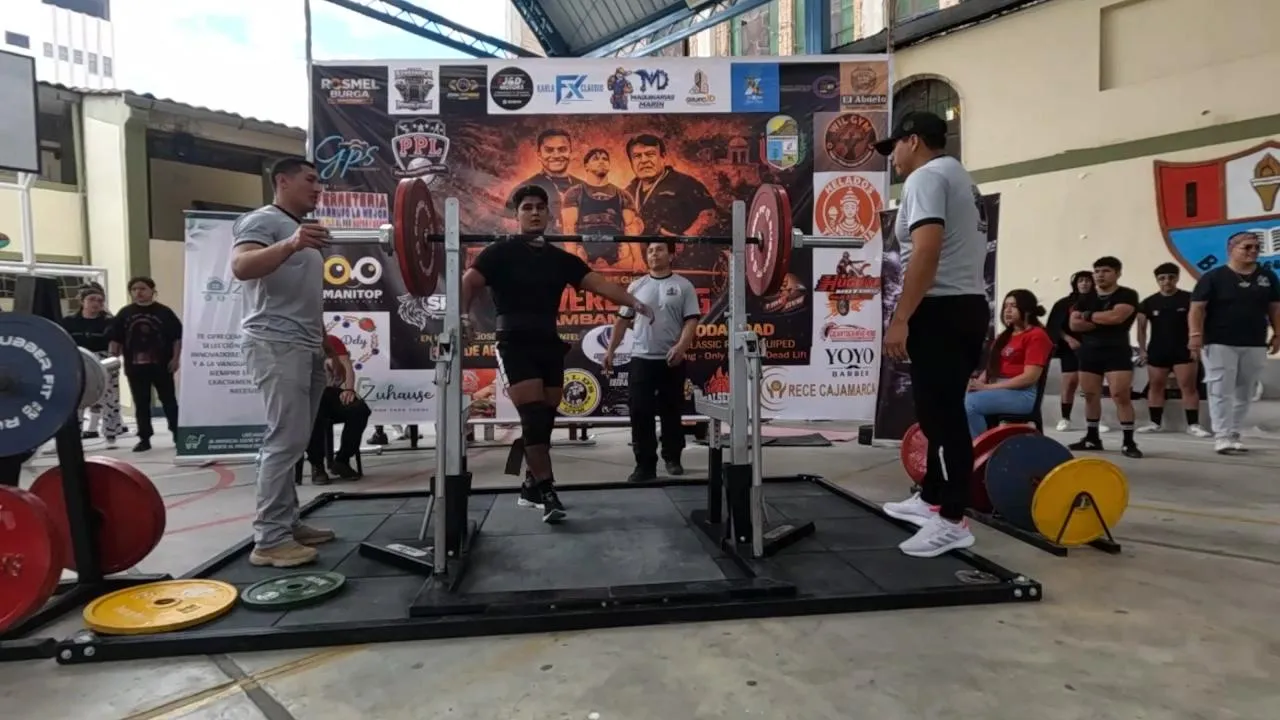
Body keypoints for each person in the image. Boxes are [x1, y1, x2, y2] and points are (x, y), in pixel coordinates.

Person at [462, 184, 654, 523]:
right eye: (527, 208)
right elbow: (469, 281)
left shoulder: (560, 259)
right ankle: (548, 491)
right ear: (517, 215)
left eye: (540, 207)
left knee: (545, 420)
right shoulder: (498, 253)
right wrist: (462, 316)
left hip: (548, 343)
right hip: (514, 343)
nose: (534, 212)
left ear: (548, 214)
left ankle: (529, 485)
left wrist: (636, 303)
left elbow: (600, 285)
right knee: (534, 416)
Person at [872, 111, 990, 558]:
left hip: (940, 308)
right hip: (965, 305)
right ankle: (932, 498)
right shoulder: (960, 178)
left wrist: (901, 317)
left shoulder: (925, 178)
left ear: (914, 141)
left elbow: (926, 251)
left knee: (943, 419)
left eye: (895, 148)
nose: (893, 158)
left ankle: (953, 520)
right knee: (937, 410)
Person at [230, 157, 334, 568]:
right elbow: (241, 267)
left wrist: (324, 346)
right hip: (274, 341)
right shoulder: (263, 220)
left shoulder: (299, 230)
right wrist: (291, 244)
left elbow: (305, 296)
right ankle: (270, 539)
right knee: (284, 440)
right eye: (310, 179)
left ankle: (287, 523)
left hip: (305, 344)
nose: (318, 187)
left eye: (319, 181)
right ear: (282, 181)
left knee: (296, 440)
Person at [602, 241, 699, 482]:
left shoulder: (684, 286)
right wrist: (610, 350)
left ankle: (673, 458)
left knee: (671, 411)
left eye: (660, 250)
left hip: (670, 360)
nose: (654, 254)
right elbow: (622, 321)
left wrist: (681, 347)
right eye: (651, 251)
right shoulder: (637, 286)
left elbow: (691, 320)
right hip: (641, 360)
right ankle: (644, 465)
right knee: (639, 412)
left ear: (671, 255)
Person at [1189, 231, 1280, 454]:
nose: (1253, 251)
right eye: (1247, 247)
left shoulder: (1267, 277)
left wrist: (1278, 333)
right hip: (1219, 341)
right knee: (1220, 389)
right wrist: (1195, 335)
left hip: (1255, 341)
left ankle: (1234, 432)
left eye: (1256, 247)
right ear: (1231, 249)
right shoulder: (1213, 277)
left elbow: (1275, 308)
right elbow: (1197, 308)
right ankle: (1221, 436)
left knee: (1246, 391)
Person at [1068, 256, 1143, 458]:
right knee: (1090, 396)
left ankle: (1128, 442)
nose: (1100, 275)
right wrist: (1102, 319)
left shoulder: (1127, 294)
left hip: (1116, 351)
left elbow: (1116, 317)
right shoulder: (1085, 298)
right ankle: (1092, 438)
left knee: (1120, 395)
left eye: (1106, 271)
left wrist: (1087, 316)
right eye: (1097, 271)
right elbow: (1074, 325)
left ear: (1118, 273)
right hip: (1090, 352)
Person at [962, 290, 1053, 438]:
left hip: (1021, 394)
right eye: (1005, 306)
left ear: (1027, 310)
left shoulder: (1036, 335)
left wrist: (987, 388)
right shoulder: (1003, 337)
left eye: (1013, 306)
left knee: (970, 404)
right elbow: (991, 369)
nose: (1007, 310)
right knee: (956, 398)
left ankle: (981, 446)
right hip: (997, 388)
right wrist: (976, 384)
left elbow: (1029, 378)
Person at [109, 276, 182, 453]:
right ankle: (144, 438)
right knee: (141, 403)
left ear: (152, 291)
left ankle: (178, 435)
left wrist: (175, 359)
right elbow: (115, 338)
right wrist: (113, 357)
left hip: (162, 366)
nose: (138, 292)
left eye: (142, 288)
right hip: (135, 367)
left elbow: (177, 338)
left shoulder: (164, 312)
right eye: (134, 289)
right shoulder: (125, 313)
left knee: (169, 401)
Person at [1136, 262, 1210, 437]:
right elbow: (1141, 329)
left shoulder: (1189, 299)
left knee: (1189, 387)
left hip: (1184, 350)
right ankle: (1155, 423)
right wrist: (1142, 350)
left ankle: (1193, 425)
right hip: (1158, 350)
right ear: (1157, 280)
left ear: (1177, 278)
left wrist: (1197, 345)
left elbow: (1201, 323)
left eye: (1171, 277)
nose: (1166, 281)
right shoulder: (1148, 302)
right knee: (1155, 386)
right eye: (1162, 278)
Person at [560, 148, 644, 270]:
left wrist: (638, 260)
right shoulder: (574, 193)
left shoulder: (623, 195)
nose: (601, 161)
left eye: (605, 159)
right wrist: (572, 260)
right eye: (596, 159)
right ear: (586, 166)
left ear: (609, 165)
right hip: (584, 252)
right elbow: (569, 229)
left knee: (628, 257)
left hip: (618, 254)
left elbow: (631, 229)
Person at [62, 285, 124, 448]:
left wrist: (112, 358)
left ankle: (110, 434)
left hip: (103, 359)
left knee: (110, 398)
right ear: (82, 302)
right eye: (91, 299)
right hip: (78, 359)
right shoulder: (69, 321)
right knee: (75, 398)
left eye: (100, 300)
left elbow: (115, 341)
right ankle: (72, 437)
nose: (96, 303)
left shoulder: (110, 321)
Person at [305, 334, 372, 485]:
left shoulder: (330, 340)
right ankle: (317, 465)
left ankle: (342, 460)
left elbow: (346, 366)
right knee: (313, 413)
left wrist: (349, 389)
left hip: (328, 391)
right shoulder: (292, 342)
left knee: (359, 409)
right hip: (304, 394)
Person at [623, 134, 717, 238]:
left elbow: (711, 213)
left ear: (663, 157)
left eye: (650, 154)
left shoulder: (685, 184)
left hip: (677, 248)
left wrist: (685, 238)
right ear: (631, 162)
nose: (644, 160)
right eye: (637, 156)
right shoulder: (627, 193)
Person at [1046, 271, 1101, 432]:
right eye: (1081, 281)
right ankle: (1065, 418)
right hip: (1069, 349)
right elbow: (1054, 326)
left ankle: (1095, 420)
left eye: (1087, 281)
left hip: (1093, 348)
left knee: (1091, 385)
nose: (1084, 283)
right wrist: (1069, 339)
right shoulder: (1064, 303)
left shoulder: (1100, 302)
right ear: (1075, 284)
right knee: (1069, 383)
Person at [506, 129, 582, 234]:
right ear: (539, 155)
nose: (556, 155)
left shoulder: (585, 187)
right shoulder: (523, 189)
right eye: (549, 150)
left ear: (571, 153)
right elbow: (508, 229)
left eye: (562, 149)